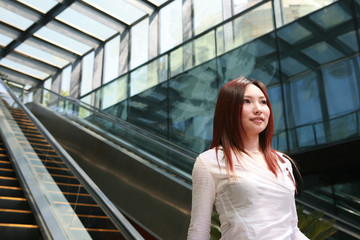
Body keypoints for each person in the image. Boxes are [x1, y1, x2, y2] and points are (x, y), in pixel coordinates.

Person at [187, 76, 309, 240]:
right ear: (228, 109)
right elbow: (198, 231)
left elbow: (292, 229)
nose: (258, 109)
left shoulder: (282, 162)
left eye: (263, 102)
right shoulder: (209, 161)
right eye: (247, 101)